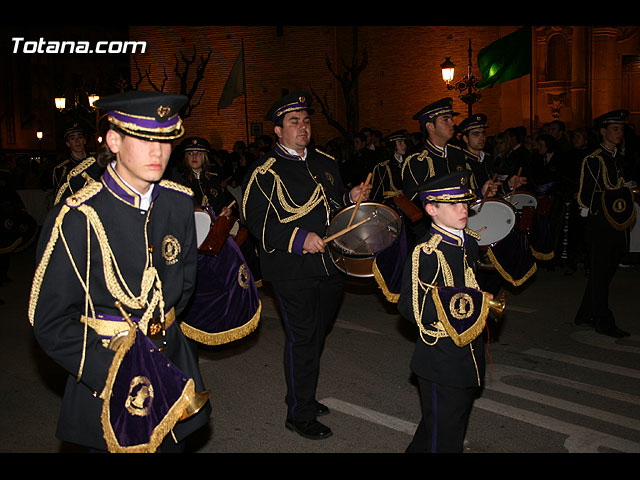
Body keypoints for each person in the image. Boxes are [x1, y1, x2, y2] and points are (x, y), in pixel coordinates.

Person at [28, 91, 211, 452]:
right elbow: (49, 319)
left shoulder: (177, 202)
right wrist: (111, 371)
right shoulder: (78, 217)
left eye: (164, 140)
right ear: (114, 140)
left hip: (171, 371)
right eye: (144, 139)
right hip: (108, 380)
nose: (157, 152)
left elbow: (184, 285)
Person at [242, 91, 371, 440]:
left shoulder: (325, 162)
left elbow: (331, 207)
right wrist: (299, 239)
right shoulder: (264, 171)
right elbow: (256, 221)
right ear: (278, 131)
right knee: (303, 338)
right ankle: (298, 413)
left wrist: (350, 198)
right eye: (294, 122)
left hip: (331, 265)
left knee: (316, 335)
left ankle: (303, 396)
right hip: (290, 268)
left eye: (306, 120)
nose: (303, 127)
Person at [398, 170, 492, 453]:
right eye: (452, 204)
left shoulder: (468, 242)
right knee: (447, 434)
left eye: (464, 202)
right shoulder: (427, 252)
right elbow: (408, 306)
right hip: (441, 355)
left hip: (467, 349)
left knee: (443, 421)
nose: (463, 209)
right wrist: (464, 304)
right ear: (431, 209)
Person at [574, 110, 635, 338]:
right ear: (603, 131)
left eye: (621, 129)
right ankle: (603, 320)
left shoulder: (618, 157)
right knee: (600, 272)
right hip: (600, 223)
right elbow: (586, 194)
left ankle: (586, 313)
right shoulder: (594, 159)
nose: (619, 133)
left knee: (606, 271)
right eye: (615, 129)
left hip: (616, 222)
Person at [52, 123, 104, 206]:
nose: (77, 141)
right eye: (72, 138)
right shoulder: (62, 169)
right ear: (68, 144)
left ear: (84, 140)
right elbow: (59, 199)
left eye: (80, 137)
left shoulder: (98, 161)